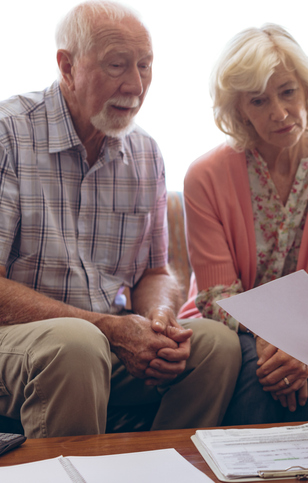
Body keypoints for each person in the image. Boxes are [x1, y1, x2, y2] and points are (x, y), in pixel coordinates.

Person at [0, 0, 241, 438]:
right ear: (67, 66)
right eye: (116, 65)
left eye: (145, 66)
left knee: (215, 346)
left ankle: (161, 471)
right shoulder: (8, 134)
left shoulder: (146, 152)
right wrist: (109, 328)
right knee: (76, 344)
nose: (135, 85)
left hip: (104, 341)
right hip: (20, 342)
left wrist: (159, 320)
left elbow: (154, 271)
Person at [179, 24, 308, 425]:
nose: (280, 113)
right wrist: (276, 339)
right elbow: (217, 294)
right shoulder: (204, 176)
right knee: (256, 369)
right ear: (239, 111)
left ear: (307, 90)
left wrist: (301, 341)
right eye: (259, 100)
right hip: (230, 326)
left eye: (288, 92)